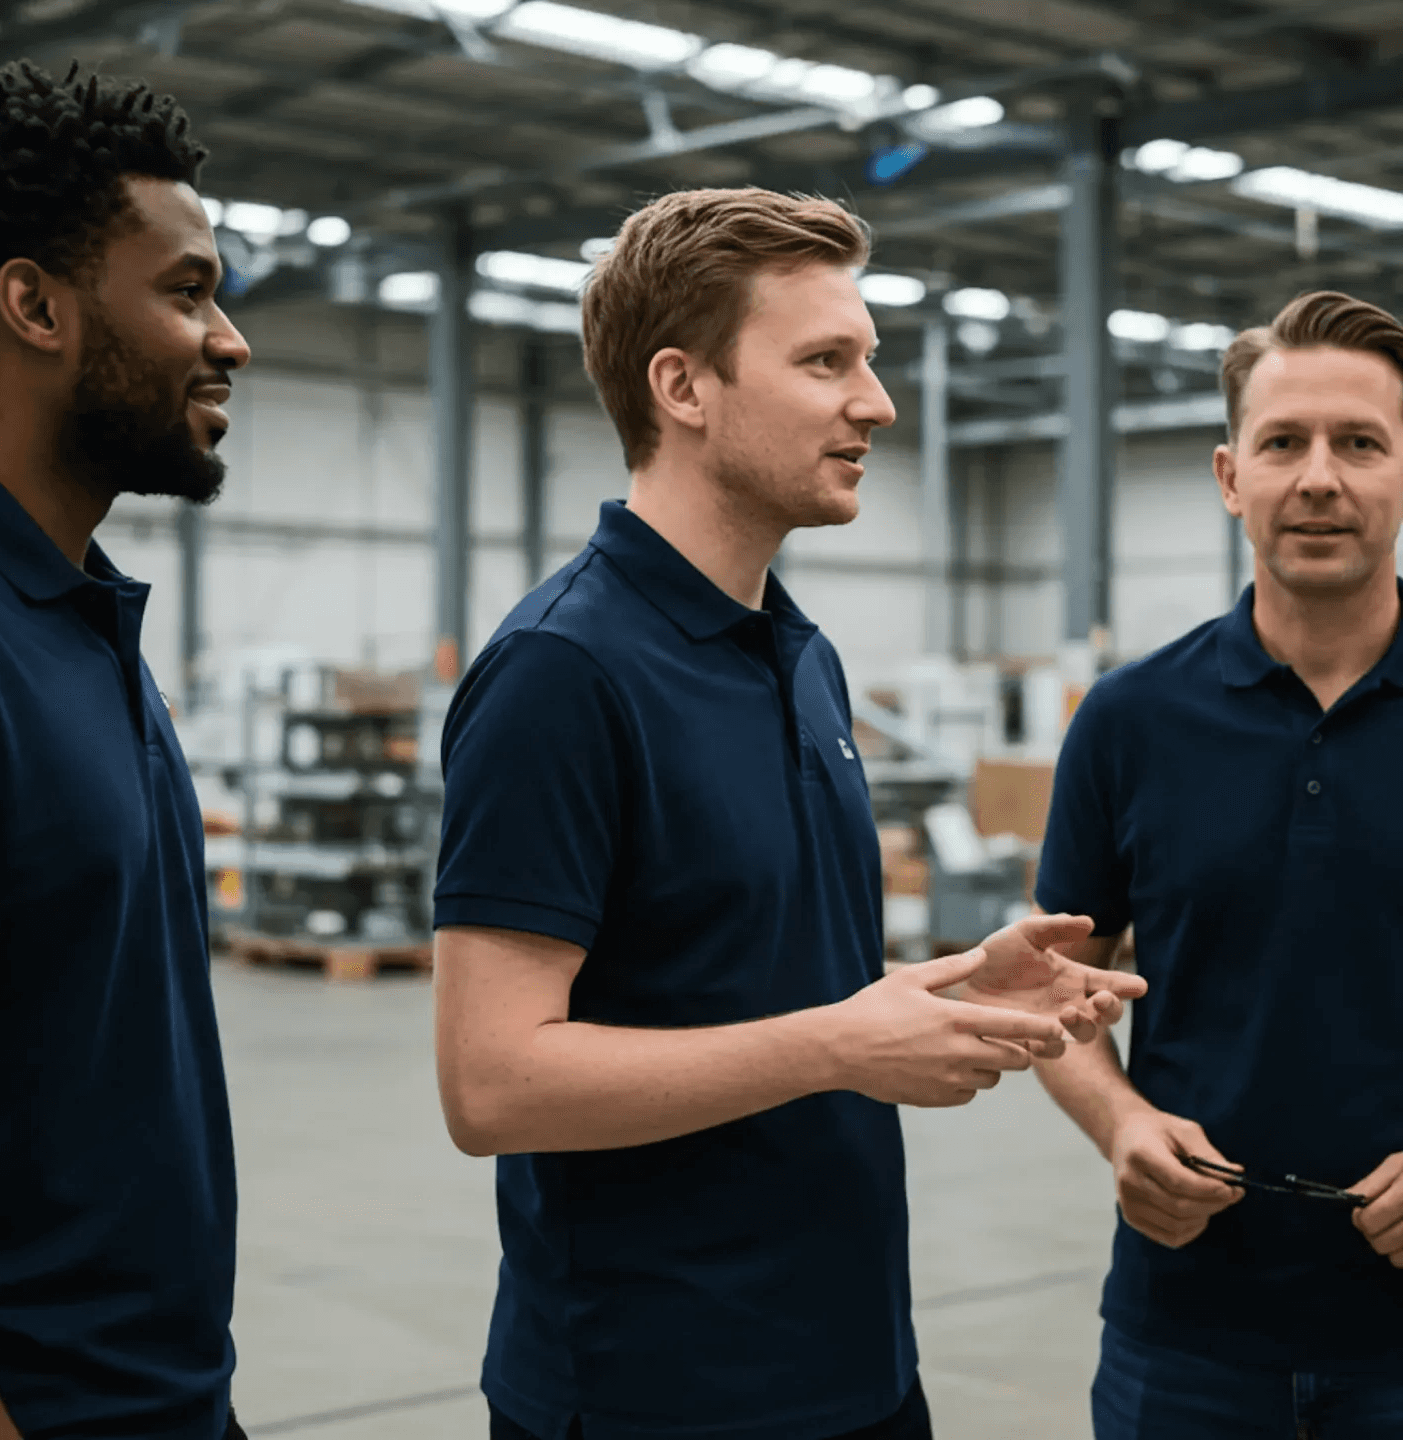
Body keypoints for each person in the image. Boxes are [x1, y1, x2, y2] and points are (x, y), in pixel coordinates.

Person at [431, 186, 1146, 1440]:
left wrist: (949, 992)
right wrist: (838, 1047)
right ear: (684, 387)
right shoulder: (564, 671)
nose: (876, 402)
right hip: (658, 1388)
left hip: (853, 1360)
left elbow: (749, 970)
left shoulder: (798, 657)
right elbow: (493, 1082)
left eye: (866, 361)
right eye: (828, 362)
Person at [1034, 289, 1403, 1438]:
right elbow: (1055, 990)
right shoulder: (1130, 721)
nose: (1320, 477)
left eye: (1361, 443)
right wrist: (1120, 1124)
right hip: (1185, 1347)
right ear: (1230, 475)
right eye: (1283, 442)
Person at [0, 59, 251, 1440]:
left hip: (165, 1394)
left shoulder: (78, 620)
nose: (231, 338)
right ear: (36, 305)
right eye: (188, 291)